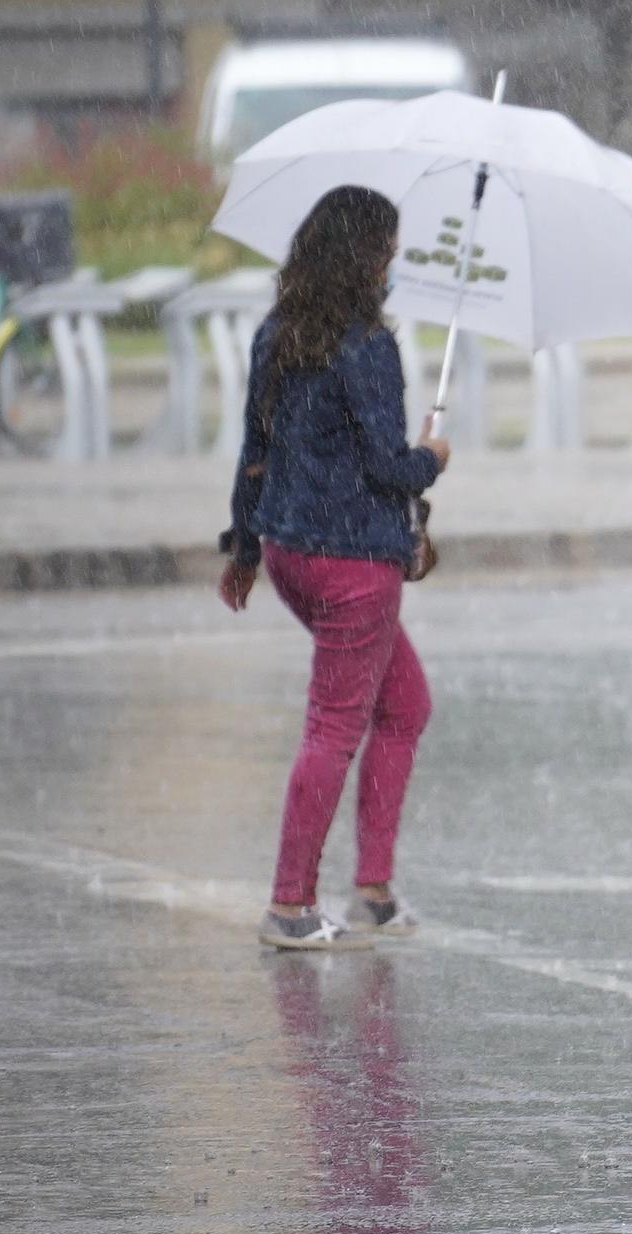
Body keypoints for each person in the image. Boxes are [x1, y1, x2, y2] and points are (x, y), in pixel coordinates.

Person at [216, 184, 450, 951]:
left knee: (404, 705)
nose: (392, 263)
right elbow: (390, 466)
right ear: (365, 256)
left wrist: (245, 545)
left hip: (291, 551)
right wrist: (433, 458)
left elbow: (256, 451)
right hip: (354, 566)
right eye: (387, 247)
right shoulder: (367, 345)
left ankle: (374, 889)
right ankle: (290, 903)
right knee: (334, 729)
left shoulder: (277, 333)